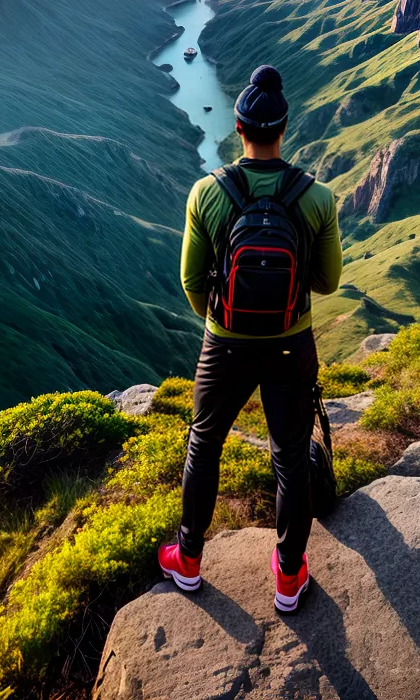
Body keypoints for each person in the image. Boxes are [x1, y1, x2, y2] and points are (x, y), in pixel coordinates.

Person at [157, 64, 342, 613]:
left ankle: (188, 562)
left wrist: (223, 322)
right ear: (284, 129)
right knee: (289, 457)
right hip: (292, 344)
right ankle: (288, 577)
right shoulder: (317, 199)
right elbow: (328, 281)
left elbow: (192, 281)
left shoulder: (205, 194)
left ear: (238, 129)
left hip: (225, 346)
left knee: (204, 443)